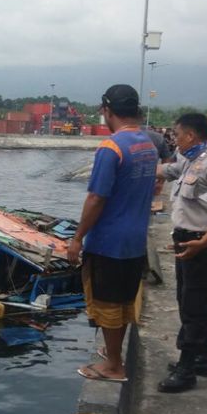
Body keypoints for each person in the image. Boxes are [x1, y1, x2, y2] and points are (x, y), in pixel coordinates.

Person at [67, 84, 157, 382]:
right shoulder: (147, 145)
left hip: (109, 241)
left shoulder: (111, 148)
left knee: (105, 304)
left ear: (107, 110)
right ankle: (113, 353)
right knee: (122, 301)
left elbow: (96, 198)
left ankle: (114, 366)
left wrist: (78, 238)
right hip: (134, 240)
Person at [156, 113, 207, 392]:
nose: (174, 139)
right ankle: (202, 358)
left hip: (202, 242)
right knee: (190, 301)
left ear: (191, 135)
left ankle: (186, 370)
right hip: (185, 239)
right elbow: (167, 171)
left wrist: (205, 241)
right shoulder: (189, 159)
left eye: (177, 134)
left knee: (194, 307)